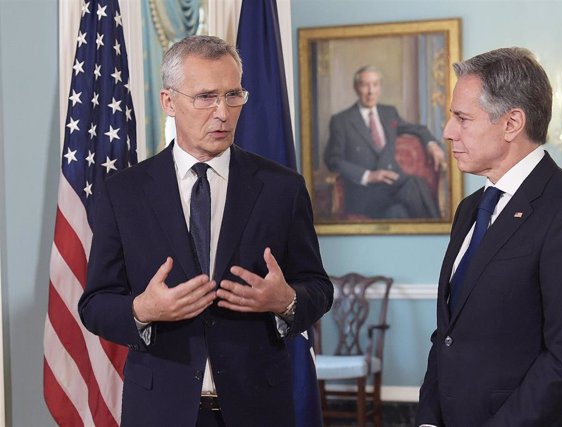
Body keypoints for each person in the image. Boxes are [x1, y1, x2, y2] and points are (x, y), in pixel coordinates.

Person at [78, 35, 333, 427]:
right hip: (161, 410)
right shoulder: (124, 192)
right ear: (168, 102)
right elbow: (94, 303)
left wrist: (285, 301)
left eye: (233, 95)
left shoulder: (282, 188)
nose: (223, 113)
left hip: (258, 408)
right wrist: (143, 310)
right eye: (206, 97)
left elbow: (317, 287)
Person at [416, 47, 562, 426]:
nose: (447, 132)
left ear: (511, 123)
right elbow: (449, 335)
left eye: (462, 118)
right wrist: (428, 418)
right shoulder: (470, 209)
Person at [324, 65, 446, 219]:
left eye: (375, 85)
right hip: (365, 194)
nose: (370, 91)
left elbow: (418, 129)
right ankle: (440, 230)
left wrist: (432, 144)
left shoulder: (389, 113)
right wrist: (369, 175)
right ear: (356, 88)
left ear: (380, 87)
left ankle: (437, 231)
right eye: (365, 85)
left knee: (397, 213)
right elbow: (333, 160)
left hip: (393, 189)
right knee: (413, 184)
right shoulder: (342, 121)